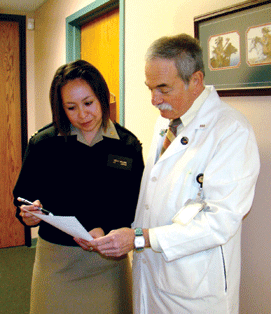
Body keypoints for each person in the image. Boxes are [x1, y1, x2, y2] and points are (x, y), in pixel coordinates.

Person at [87, 34, 260, 313]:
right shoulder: (168, 121)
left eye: (164, 89)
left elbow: (220, 221)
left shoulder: (231, 132)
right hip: (152, 276)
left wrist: (141, 238)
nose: (155, 100)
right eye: (150, 88)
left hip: (195, 286)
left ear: (196, 81)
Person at [13, 60, 144, 314]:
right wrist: (29, 216)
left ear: (103, 98)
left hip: (108, 262)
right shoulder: (45, 144)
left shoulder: (127, 146)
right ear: (61, 108)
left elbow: (134, 205)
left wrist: (103, 228)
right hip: (57, 264)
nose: (82, 115)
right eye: (71, 107)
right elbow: (24, 195)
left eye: (89, 103)